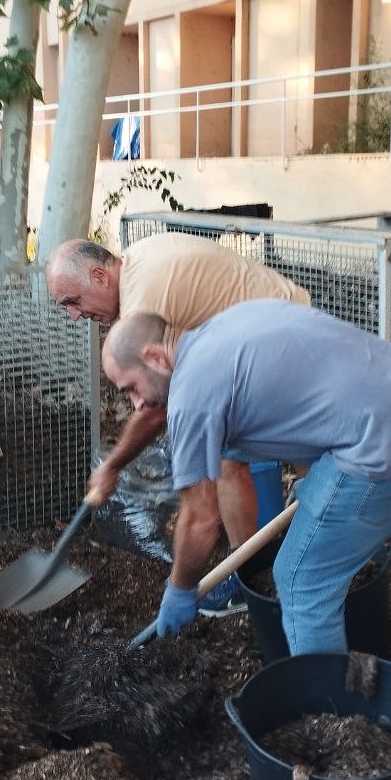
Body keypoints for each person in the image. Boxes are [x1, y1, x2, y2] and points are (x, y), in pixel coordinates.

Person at [101, 301, 391, 705]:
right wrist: (314, 486)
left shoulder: (191, 394)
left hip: (382, 448)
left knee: (301, 582)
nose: (137, 404)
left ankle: (333, 726)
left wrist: (180, 589)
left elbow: (200, 520)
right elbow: (308, 400)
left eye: (131, 388)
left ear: (155, 357)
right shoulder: (229, 324)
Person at [46, 234, 310, 604]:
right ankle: (251, 572)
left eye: (73, 301)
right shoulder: (135, 264)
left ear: (99, 276)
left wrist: (112, 466)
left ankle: (300, 564)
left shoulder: (144, 300)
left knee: (280, 460)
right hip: (264, 333)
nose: (75, 315)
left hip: (281, 340)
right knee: (230, 456)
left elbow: (155, 406)